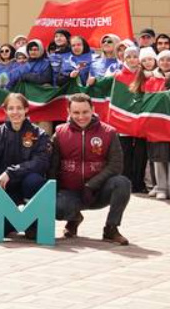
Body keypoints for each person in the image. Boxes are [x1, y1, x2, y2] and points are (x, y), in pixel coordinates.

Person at [50, 93, 131, 245]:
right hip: (70, 192)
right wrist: (52, 191)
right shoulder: (60, 132)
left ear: (93, 109)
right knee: (56, 208)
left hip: (98, 191)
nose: (81, 117)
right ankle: (74, 218)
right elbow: (53, 166)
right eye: (76, 112)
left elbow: (116, 165)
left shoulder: (109, 132)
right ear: (68, 112)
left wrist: (91, 185)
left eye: (85, 112)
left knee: (122, 183)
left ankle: (111, 228)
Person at [0, 92, 51, 239]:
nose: (15, 112)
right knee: (1, 229)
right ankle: (15, 221)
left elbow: (41, 162)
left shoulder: (40, 134)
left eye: (19, 108)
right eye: (11, 108)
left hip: (28, 185)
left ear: (26, 109)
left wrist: (11, 172)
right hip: (6, 186)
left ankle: (33, 223)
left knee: (34, 181)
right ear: (5, 110)